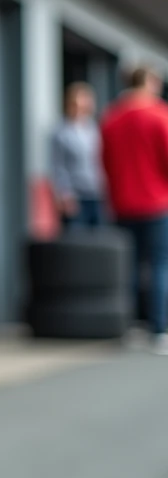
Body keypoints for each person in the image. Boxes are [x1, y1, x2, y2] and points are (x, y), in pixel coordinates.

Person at [100, 65, 168, 353]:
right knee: (159, 265)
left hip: (122, 203)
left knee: (127, 267)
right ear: (150, 82)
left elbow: (105, 162)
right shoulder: (160, 116)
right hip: (156, 202)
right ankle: (159, 329)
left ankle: (128, 327)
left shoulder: (111, 117)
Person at [51, 82, 106, 229]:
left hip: (97, 193)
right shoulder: (62, 132)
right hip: (75, 196)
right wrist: (64, 194)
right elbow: (58, 166)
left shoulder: (94, 129)